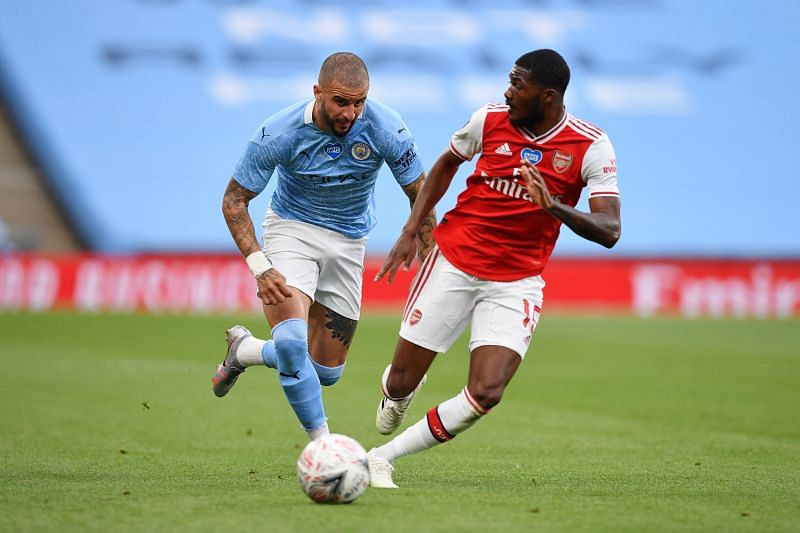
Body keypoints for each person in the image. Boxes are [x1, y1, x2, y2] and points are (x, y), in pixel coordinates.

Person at [367, 49, 621, 488]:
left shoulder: (589, 145)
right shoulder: (488, 119)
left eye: (517, 84)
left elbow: (610, 228)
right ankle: (398, 389)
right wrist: (412, 230)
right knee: (401, 381)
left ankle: (383, 457)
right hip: (454, 262)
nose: (507, 91)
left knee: (487, 392)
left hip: (516, 282)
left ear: (547, 96)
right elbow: (447, 163)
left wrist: (554, 205)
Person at [214, 52, 436, 442]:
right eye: (340, 101)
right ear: (317, 93)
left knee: (327, 372)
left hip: (349, 241)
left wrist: (425, 253)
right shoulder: (279, 132)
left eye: (359, 102)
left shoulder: (387, 128)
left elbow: (421, 192)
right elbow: (234, 200)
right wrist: (260, 266)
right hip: (291, 231)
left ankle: (245, 350)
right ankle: (324, 447)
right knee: (291, 343)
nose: (350, 112)